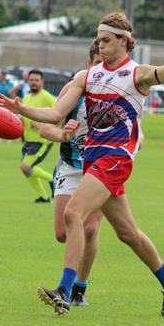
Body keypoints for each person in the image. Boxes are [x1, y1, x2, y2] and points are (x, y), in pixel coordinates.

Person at [0, 12, 164, 316]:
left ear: (124, 41)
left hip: (116, 159)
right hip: (93, 160)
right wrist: (21, 109)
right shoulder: (87, 77)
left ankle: (65, 289)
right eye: (98, 41)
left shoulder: (137, 75)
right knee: (128, 234)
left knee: (74, 214)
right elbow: (55, 112)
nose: (100, 46)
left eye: (106, 40)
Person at [38, 40, 104, 306]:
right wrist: (62, 134)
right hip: (69, 165)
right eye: (98, 64)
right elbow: (46, 128)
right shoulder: (74, 89)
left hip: (100, 169)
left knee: (90, 228)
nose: (103, 71)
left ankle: (78, 290)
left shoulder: (117, 93)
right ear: (89, 65)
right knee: (62, 233)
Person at [18, 69, 56, 203]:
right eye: (31, 80)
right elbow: (23, 117)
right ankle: (44, 197)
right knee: (26, 170)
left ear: (42, 82)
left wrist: (42, 124)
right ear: (27, 82)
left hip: (42, 141)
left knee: (25, 167)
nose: (34, 83)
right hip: (28, 140)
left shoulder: (47, 97)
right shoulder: (26, 97)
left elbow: (59, 115)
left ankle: (52, 179)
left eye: (36, 80)